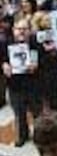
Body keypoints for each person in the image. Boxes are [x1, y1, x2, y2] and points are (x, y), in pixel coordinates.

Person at [0, 17, 42, 146]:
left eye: (25, 29)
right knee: (19, 113)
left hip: (33, 84)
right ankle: (22, 136)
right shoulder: (5, 43)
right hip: (15, 85)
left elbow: (41, 59)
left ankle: (39, 137)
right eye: (19, 29)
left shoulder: (34, 43)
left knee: (37, 113)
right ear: (13, 30)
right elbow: (1, 59)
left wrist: (36, 64)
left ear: (30, 31)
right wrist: (3, 65)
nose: (21, 32)